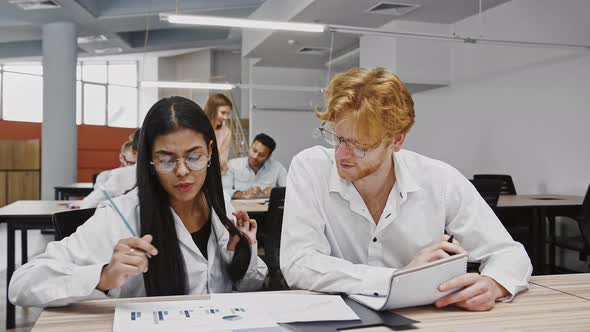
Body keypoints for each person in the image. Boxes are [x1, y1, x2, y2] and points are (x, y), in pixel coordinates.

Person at [280, 67, 531, 311]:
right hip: (332, 317)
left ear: (397, 140)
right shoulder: (311, 168)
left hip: (421, 319)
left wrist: (493, 284)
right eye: (338, 137)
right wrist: (398, 278)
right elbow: (299, 263)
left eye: (360, 145)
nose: (341, 153)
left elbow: (509, 253)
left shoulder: (437, 178)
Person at [9, 96, 268, 307]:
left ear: (210, 151)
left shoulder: (221, 205)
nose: (182, 171)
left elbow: (249, 285)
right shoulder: (122, 214)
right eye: (166, 159)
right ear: (150, 161)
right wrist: (102, 276)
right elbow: (23, 283)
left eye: (194, 156)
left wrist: (243, 255)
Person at [80, 129, 140, 208]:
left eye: (132, 163)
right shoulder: (107, 176)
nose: (129, 166)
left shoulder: (122, 175)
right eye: (129, 163)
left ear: (134, 151)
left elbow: (88, 204)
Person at [223, 133, 287, 199]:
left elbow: (289, 191)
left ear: (269, 156)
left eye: (261, 155)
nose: (255, 156)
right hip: (239, 208)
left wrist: (275, 193)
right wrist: (242, 194)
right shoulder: (232, 165)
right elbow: (224, 191)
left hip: (266, 209)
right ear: (250, 146)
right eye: (254, 150)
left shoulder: (278, 168)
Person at [205, 94, 233, 176]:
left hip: (214, 174)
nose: (225, 117)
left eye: (228, 114)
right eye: (223, 113)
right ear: (212, 110)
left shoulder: (226, 132)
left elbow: (223, 161)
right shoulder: (198, 128)